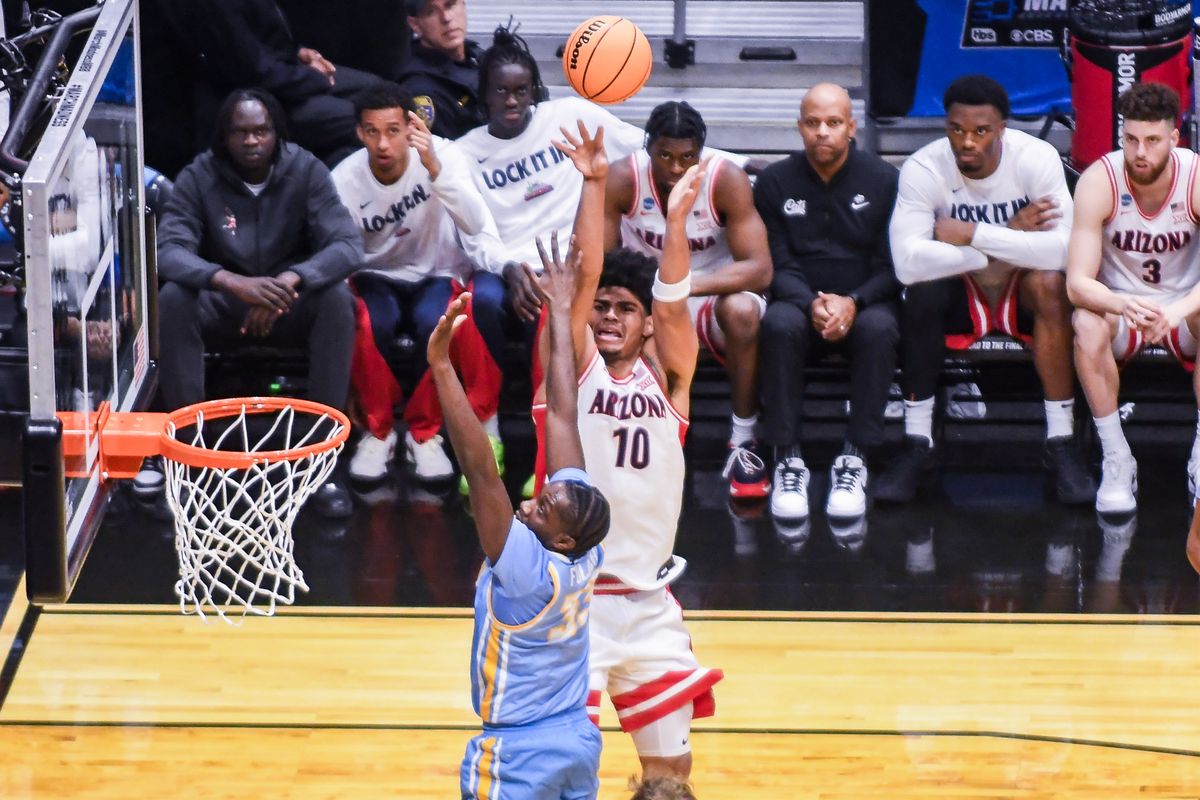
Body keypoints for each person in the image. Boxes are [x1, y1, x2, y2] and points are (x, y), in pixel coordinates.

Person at [538, 121, 723, 783]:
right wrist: (593, 185)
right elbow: (583, 279)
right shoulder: (572, 368)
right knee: (563, 772)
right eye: (602, 309)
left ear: (643, 323)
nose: (609, 316)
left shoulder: (670, 380)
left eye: (625, 308)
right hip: (571, 604)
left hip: (650, 605)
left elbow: (674, 306)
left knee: (671, 778)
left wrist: (675, 224)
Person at [431, 236, 610, 800]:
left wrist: (442, 368)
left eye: (541, 507)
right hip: (578, 740)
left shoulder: (528, 571)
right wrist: (560, 315)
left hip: (518, 751)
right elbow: (561, 409)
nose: (531, 500)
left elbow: (481, 470)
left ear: (558, 538)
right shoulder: (585, 546)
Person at [878, 74, 1094, 506]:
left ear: (1002, 129)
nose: (967, 142)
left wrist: (973, 233)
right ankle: (918, 443)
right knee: (921, 293)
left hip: (1023, 287)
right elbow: (906, 263)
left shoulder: (1036, 158)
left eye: (980, 131)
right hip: (962, 289)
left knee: (1052, 285)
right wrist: (1005, 238)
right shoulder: (924, 167)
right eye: (957, 129)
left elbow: (1063, 251)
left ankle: (1061, 442)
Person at [148, 88, 361, 517]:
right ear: (224, 137)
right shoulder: (200, 175)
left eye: (261, 131)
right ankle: (190, 459)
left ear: (276, 133)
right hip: (226, 302)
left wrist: (292, 279)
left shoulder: (306, 170)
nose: (251, 141)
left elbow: (348, 245)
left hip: (288, 301)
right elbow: (168, 251)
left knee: (338, 300)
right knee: (172, 299)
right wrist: (230, 282)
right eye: (240, 133)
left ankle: (320, 462)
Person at [331, 84, 507, 486]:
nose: (383, 143)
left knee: (443, 326)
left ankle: (424, 434)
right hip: (377, 275)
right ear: (359, 133)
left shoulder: (444, 154)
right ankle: (378, 433)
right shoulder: (344, 179)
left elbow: (476, 223)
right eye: (372, 131)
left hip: (438, 273)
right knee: (366, 322)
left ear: (410, 128)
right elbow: (334, 251)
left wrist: (435, 170)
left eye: (393, 130)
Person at [606, 100, 773, 500]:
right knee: (624, 324)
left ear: (702, 153)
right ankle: (643, 446)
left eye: (687, 157)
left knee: (743, 311)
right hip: (648, 298)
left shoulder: (723, 179)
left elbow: (759, 269)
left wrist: (682, 287)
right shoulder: (623, 178)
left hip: (706, 292)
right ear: (648, 148)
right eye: (665, 155)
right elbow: (604, 265)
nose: (676, 168)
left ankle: (744, 440)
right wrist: (653, 297)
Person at [752, 83, 900, 520]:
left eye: (833, 123)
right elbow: (773, 258)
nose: (823, 132)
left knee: (881, 328)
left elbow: (894, 264)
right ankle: (786, 458)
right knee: (777, 324)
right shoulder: (775, 182)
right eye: (813, 123)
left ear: (851, 127)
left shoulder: (886, 180)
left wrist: (853, 301)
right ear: (799, 127)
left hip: (866, 303)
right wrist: (811, 304)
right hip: (799, 304)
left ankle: (855, 458)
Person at [1065, 82, 1200, 514]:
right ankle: (1117, 457)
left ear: (1175, 138)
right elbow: (1077, 283)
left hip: (1184, 309)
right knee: (1085, 322)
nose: (1140, 151)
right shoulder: (1099, 180)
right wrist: (1123, 304)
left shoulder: (1196, 176)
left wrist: (1176, 310)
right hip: (1123, 309)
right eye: (1131, 139)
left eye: (1153, 140)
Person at [454, 27, 647, 318]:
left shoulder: (571, 116)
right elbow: (476, 234)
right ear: (484, 94)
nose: (512, 101)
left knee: (556, 305)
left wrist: (735, 162)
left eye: (521, 90)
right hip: (505, 268)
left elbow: (646, 146)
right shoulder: (463, 153)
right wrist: (510, 269)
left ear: (533, 90)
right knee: (482, 304)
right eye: (501, 91)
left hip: (569, 265)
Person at [397, 0, 485, 139]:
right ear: (415, 25)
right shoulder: (421, 90)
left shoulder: (477, 56)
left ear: (463, 5)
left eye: (450, 5)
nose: (446, 18)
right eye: (431, 12)